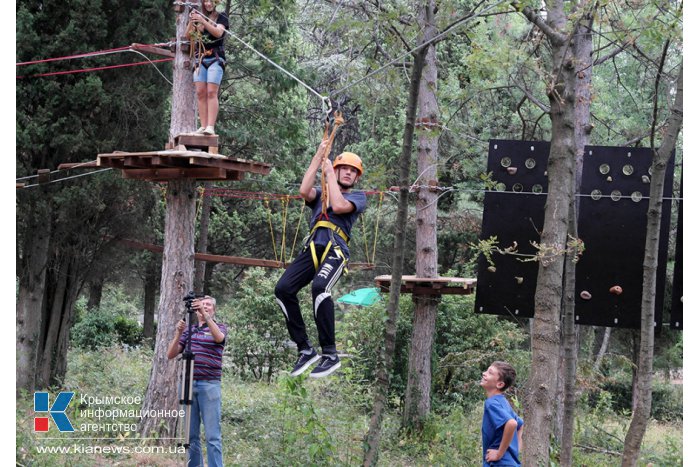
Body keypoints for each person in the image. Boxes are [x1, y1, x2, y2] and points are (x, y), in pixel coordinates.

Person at [274, 141, 366, 378]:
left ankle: (330, 353)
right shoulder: (320, 195)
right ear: (336, 170)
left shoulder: (357, 196)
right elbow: (304, 191)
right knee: (283, 289)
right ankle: (305, 349)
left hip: (336, 249)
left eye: (353, 170)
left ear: (356, 178)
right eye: (343, 168)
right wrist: (318, 158)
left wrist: (328, 175)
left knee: (320, 288)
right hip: (313, 246)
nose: (348, 172)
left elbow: (338, 205)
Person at [167, 296, 227, 467]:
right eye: (202, 305)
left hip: (209, 385)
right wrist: (178, 332)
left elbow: (219, 338)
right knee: (191, 435)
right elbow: (170, 354)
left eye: (208, 305)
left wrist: (205, 315)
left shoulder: (220, 327)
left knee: (212, 436)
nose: (204, 307)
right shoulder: (190, 331)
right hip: (188, 385)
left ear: (213, 310)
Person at [188, 0, 229, 135]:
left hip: (216, 58)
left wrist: (203, 21)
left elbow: (218, 33)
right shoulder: (199, 16)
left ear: (215, 2)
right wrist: (191, 21)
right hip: (201, 58)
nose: (208, 4)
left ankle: (210, 126)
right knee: (200, 92)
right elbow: (189, 36)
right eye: (205, 1)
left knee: (211, 92)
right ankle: (203, 126)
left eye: (210, 1)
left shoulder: (221, 17)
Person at [479, 361, 524, 466]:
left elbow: (512, 423)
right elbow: (520, 425)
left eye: (490, 373)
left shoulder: (491, 403)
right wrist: (515, 451)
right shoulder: (503, 402)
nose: (484, 373)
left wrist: (499, 453)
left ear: (500, 384)